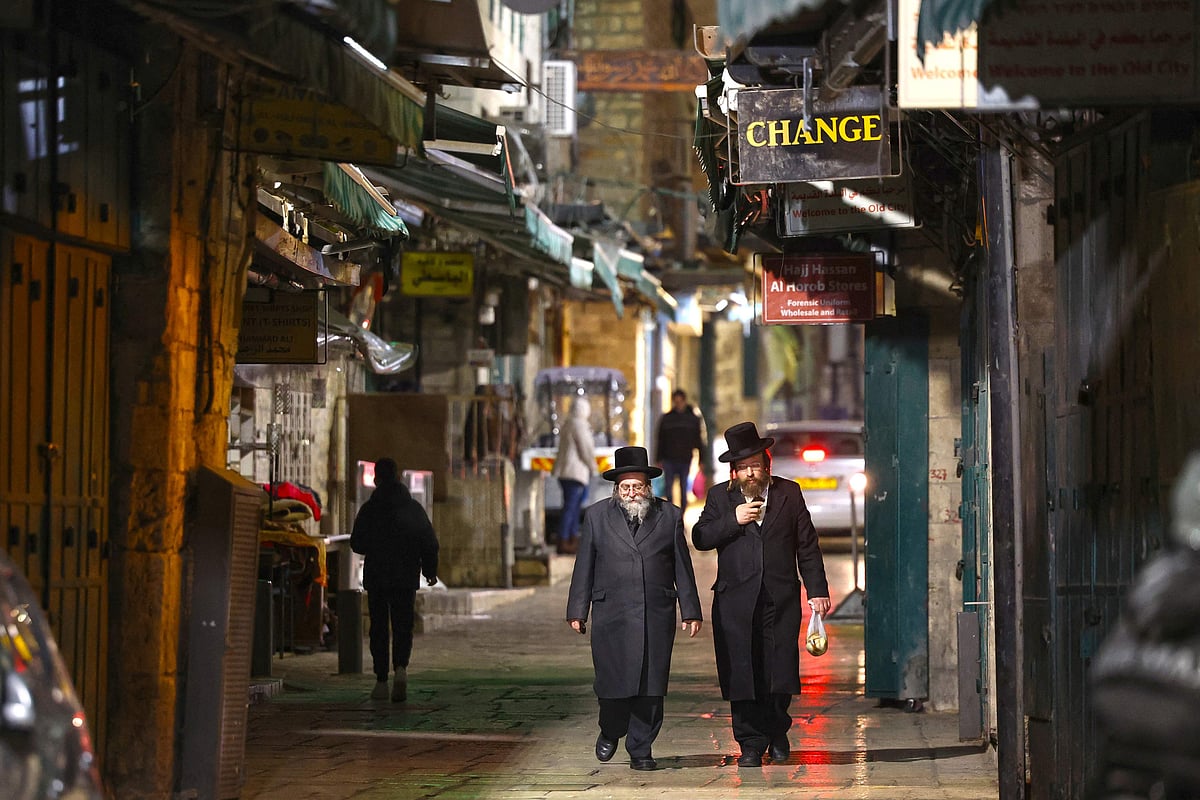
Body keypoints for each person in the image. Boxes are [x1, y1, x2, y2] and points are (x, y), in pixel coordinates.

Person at [692, 421, 831, 768]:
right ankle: (750, 742)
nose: (750, 472)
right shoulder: (719, 497)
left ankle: (777, 730)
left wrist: (817, 590)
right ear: (734, 471)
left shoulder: (789, 493)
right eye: (743, 467)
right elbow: (701, 537)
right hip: (735, 602)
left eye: (755, 464)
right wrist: (732, 521)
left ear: (767, 464)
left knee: (779, 670)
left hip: (779, 597)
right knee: (742, 672)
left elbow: (807, 546)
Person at [566, 446, 703, 772]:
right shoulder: (597, 516)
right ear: (617, 490)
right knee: (612, 685)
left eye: (637, 487)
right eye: (625, 487)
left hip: (655, 612)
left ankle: (641, 749)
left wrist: (691, 609)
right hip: (611, 612)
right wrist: (577, 609)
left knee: (651, 686)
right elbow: (584, 564)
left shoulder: (669, 516)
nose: (631, 493)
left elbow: (682, 566)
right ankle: (611, 729)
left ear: (648, 488)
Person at [350, 457, 440, 702]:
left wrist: (376, 545)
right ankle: (401, 669)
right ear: (399, 478)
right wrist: (429, 571)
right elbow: (429, 542)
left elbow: (357, 543)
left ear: (376, 479)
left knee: (378, 627)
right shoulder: (413, 509)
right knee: (403, 626)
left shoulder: (369, 510)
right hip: (405, 576)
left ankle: (381, 681)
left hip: (377, 577)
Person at [552, 395, 596, 554]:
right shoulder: (579, 426)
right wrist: (593, 467)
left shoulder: (568, 424)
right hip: (574, 473)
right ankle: (564, 539)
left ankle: (571, 538)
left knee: (572, 506)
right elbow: (585, 450)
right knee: (571, 507)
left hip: (565, 473)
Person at [655, 389, 708, 508]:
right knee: (669, 487)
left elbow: (698, 441)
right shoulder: (667, 419)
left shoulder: (692, 419)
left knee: (683, 487)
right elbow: (661, 439)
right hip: (669, 458)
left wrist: (701, 460)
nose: (678, 404)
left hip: (684, 458)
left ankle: (681, 513)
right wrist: (658, 458)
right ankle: (671, 512)